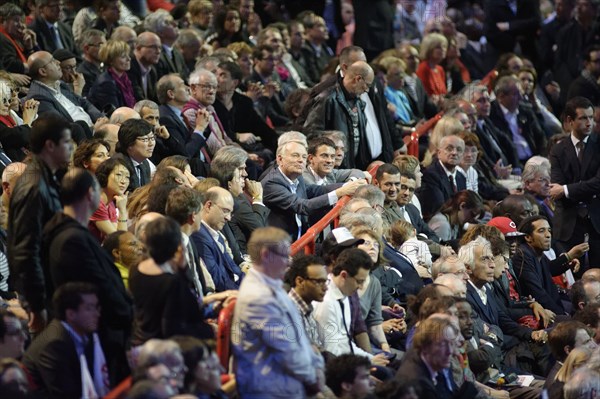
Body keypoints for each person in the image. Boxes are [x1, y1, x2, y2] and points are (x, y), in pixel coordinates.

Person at [42, 168, 132, 383]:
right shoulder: (72, 239)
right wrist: (128, 314)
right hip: (97, 336)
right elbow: (99, 287)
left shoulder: (65, 231)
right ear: (90, 193)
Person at [232, 227, 325, 398]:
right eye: (284, 256)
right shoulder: (258, 298)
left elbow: (299, 340)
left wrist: (317, 368)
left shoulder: (273, 285)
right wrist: (315, 379)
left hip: (290, 381)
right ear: (266, 255)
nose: (289, 262)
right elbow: (287, 353)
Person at [8, 113, 73, 334]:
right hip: (44, 295)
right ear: (50, 146)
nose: (72, 147)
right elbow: (26, 250)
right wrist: (36, 304)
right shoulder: (34, 187)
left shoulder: (48, 178)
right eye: (66, 142)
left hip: (53, 286)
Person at [129, 217, 214, 347]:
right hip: (163, 347)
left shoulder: (135, 269)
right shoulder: (171, 281)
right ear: (177, 246)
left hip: (139, 341)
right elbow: (184, 318)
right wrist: (183, 269)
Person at [261, 138, 362, 240]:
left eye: (303, 157)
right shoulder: (272, 183)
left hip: (300, 238)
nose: (300, 160)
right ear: (279, 159)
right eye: (295, 155)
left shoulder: (297, 176)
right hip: (278, 244)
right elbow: (302, 206)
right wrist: (339, 192)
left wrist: (347, 186)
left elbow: (315, 190)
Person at [22, 282, 110, 398]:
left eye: (97, 307)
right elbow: (65, 394)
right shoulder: (54, 344)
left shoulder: (86, 332)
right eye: (90, 308)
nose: (97, 314)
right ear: (71, 314)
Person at [549, 96, 600, 269]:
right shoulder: (557, 149)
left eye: (591, 118)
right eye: (583, 118)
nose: (589, 123)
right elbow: (555, 188)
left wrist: (566, 189)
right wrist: (565, 190)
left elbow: (598, 183)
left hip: (596, 221)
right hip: (567, 224)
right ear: (570, 121)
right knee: (571, 276)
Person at [303, 60, 375, 170]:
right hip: (331, 169)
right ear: (358, 79)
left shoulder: (358, 102)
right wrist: (333, 143)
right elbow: (310, 134)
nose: (367, 90)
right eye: (367, 85)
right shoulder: (326, 98)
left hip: (351, 167)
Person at [396, 315, 476, 399]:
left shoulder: (439, 367)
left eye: (451, 344)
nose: (450, 351)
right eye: (443, 344)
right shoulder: (417, 385)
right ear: (426, 344)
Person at [26, 51, 103, 129]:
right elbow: (63, 126)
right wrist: (95, 129)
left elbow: (84, 103)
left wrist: (101, 118)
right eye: (52, 61)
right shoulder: (38, 98)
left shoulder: (60, 84)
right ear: (43, 72)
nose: (58, 62)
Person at [191, 186, 244, 292]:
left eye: (230, 213)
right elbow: (218, 282)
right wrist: (245, 293)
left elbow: (234, 269)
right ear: (208, 206)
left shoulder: (216, 234)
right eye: (225, 211)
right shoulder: (198, 236)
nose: (228, 218)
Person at [417, 135, 467, 221]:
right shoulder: (430, 175)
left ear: (462, 155)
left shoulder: (461, 177)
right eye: (449, 149)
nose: (454, 153)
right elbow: (439, 207)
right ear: (439, 153)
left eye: (459, 150)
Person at [285, 254, 328, 350]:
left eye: (325, 282)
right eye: (319, 281)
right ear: (300, 282)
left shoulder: (307, 307)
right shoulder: (287, 312)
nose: (325, 288)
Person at [89, 157, 130, 242]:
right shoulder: (96, 202)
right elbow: (120, 240)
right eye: (119, 175)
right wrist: (122, 210)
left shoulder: (110, 204)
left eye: (127, 177)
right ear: (105, 176)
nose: (124, 181)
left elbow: (120, 234)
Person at [88, 40, 135, 111]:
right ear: (111, 60)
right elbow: (115, 113)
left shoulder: (125, 79)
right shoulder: (106, 83)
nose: (129, 59)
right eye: (123, 56)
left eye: (128, 55)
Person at [112, 118, 156, 191]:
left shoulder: (145, 163)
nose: (151, 143)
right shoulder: (119, 165)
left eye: (152, 138)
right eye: (145, 139)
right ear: (129, 143)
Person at [0, 3, 37, 75]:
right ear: (2, 20)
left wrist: (29, 48)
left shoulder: (16, 40)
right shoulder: (2, 37)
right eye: (16, 20)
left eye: (22, 21)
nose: (21, 25)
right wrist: (35, 68)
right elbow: (9, 64)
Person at [128, 32, 161, 103]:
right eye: (153, 47)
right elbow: (138, 98)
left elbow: (154, 98)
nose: (158, 51)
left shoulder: (152, 70)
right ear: (138, 48)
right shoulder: (129, 67)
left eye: (159, 47)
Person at [415, 33, 448, 103]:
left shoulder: (440, 69)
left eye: (444, 46)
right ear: (429, 49)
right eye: (438, 47)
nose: (443, 49)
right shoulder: (423, 68)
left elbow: (444, 93)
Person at [76, 29, 106, 97]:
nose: (105, 49)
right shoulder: (83, 74)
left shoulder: (104, 67)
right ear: (87, 49)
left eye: (105, 45)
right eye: (100, 45)